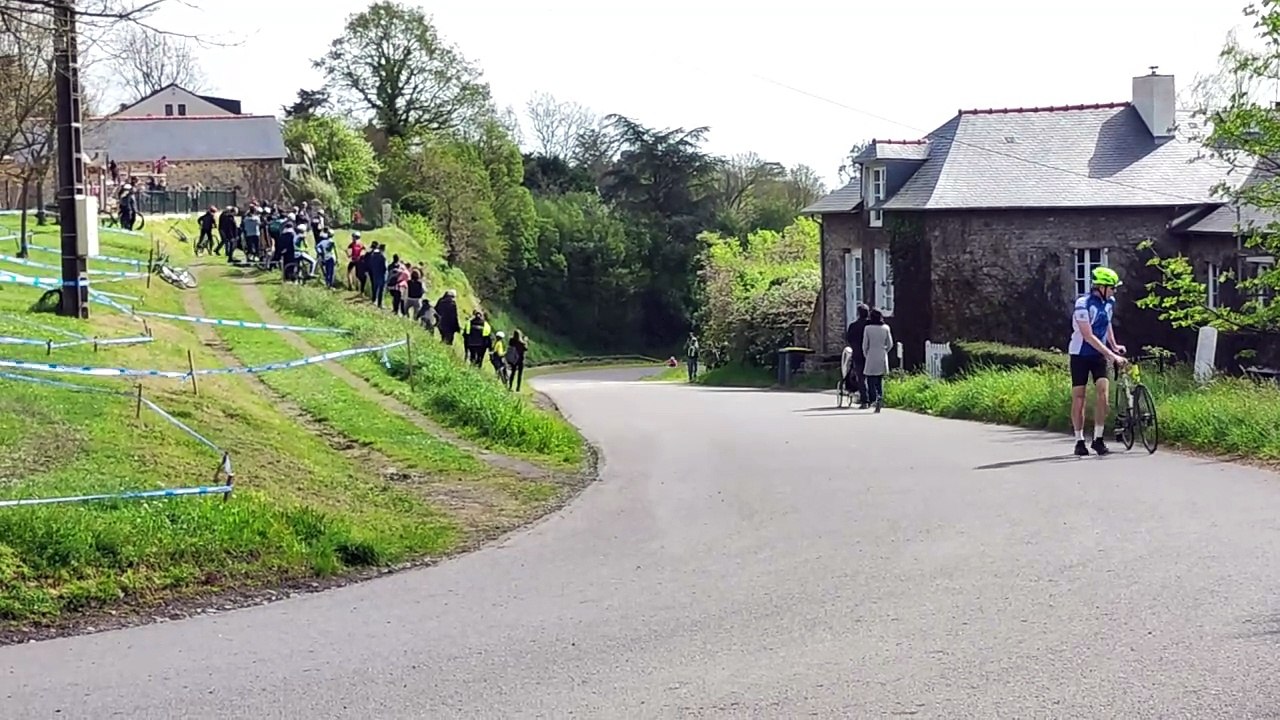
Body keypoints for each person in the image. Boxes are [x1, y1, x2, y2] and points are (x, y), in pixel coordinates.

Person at [1069, 266, 1127, 456]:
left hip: (1098, 355)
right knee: (1080, 397)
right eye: (1112, 287)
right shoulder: (1083, 304)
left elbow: (1107, 323)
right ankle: (1079, 440)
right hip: (1080, 354)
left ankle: (1098, 439)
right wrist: (1111, 355)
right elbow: (1088, 336)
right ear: (1100, 287)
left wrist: (1114, 344)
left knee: (1103, 394)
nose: (1114, 291)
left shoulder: (1109, 302)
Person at [861, 308, 893, 413]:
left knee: (870, 379)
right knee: (879, 379)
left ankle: (873, 398)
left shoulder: (868, 328)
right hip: (882, 354)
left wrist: (866, 354)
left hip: (871, 354)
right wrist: (884, 351)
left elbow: (865, 345)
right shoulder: (886, 328)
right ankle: (880, 397)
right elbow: (890, 344)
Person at [845, 303, 871, 408]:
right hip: (870, 354)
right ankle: (874, 398)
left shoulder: (853, 326)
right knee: (872, 377)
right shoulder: (871, 325)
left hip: (858, 354)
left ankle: (865, 400)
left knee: (861, 377)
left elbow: (849, 339)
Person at [366, 242, 388, 307]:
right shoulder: (383, 257)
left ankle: (374, 300)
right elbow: (385, 267)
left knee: (375, 288)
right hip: (382, 275)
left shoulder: (374, 255)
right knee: (381, 289)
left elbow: (371, 264)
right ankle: (380, 303)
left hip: (375, 273)